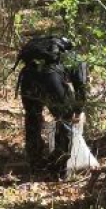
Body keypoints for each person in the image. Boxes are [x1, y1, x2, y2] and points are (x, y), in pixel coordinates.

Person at [17, 35, 87, 175]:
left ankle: (34, 161)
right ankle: (58, 169)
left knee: (32, 117)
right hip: (50, 80)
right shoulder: (76, 59)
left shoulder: (39, 53)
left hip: (28, 79)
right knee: (65, 120)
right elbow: (81, 86)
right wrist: (78, 111)